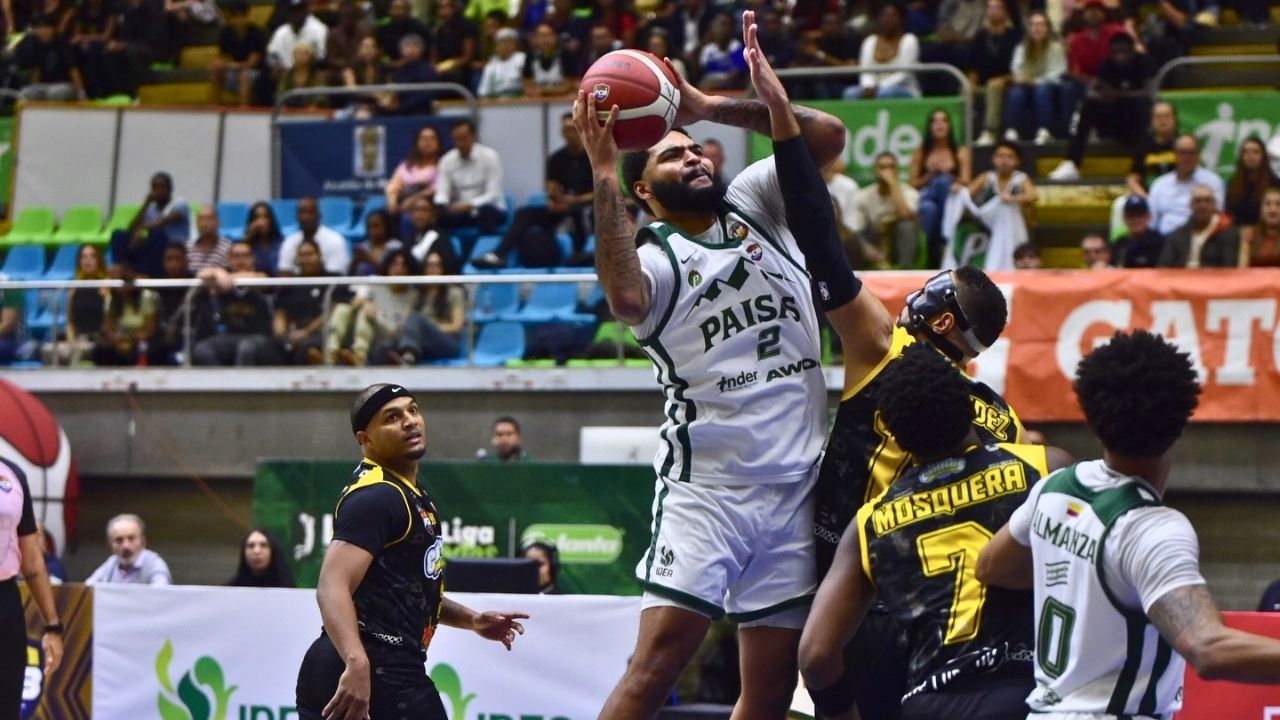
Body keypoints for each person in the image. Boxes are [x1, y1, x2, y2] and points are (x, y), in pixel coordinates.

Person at [574, 11, 851, 717]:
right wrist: (603, 171)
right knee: (655, 668)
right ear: (644, 191)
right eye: (672, 157)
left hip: (797, 487)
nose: (694, 157)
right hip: (711, 492)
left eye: (697, 149)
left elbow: (826, 136)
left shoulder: (758, 201)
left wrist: (705, 106)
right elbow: (624, 297)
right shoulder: (656, 258)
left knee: (770, 689)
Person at [977, 330, 1280, 717]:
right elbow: (1207, 647)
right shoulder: (1152, 529)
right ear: (1180, 422)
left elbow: (990, 566)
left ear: (1092, 418)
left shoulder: (1056, 489)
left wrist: (1081, 579)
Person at [800, 344, 1070, 720]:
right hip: (1030, 693)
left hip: (930, 703)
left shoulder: (870, 523)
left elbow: (815, 656)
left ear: (897, 435)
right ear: (970, 407)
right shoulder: (1046, 467)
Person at [810, 265, 1024, 720]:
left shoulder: (888, 351)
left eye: (931, 289)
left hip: (867, 599)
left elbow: (815, 657)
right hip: (970, 634)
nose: (916, 295)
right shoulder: (1013, 430)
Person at [295, 384, 528, 720]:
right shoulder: (377, 495)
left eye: (413, 410)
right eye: (392, 417)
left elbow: (411, 591)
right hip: (375, 668)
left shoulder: (406, 491)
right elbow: (331, 587)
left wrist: (472, 620)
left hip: (365, 665)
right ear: (365, 439)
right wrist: (356, 661)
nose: (409, 421)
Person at [474, 112, 593, 269]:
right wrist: (552, 201)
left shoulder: (593, 157)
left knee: (579, 211)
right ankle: (498, 254)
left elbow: (601, 192)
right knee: (524, 213)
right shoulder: (556, 159)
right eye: (566, 129)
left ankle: (579, 254)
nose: (569, 134)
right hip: (562, 207)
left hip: (588, 207)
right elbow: (551, 186)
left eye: (573, 129)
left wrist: (575, 201)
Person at [0, 458, 63, 720]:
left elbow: (32, 558)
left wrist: (52, 626)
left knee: (6, 703)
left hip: (4, 599)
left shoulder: (12, 474)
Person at [1047, 32, 1150, 182]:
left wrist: (1118, 94)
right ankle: (1072, 163)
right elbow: (1093, 89)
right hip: (1113, 122)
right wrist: (1100, 94)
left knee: (1144, 106)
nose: (1120, 57)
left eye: (1124, 52)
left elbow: (1149, 92)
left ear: (1132, 51)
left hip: (1135, 124)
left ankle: (1138, 169)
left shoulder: (1143, 62)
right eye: (1116, 53)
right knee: (1089, 105)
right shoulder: (1106, 64)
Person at [191, 241, 278, 366]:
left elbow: (263, 280)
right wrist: (217, 271)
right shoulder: (221, 278)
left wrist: (230, 278)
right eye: (236, 256)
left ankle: (243, 379)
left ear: (253, 258)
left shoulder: (261, 276)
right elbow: (200, 274)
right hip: (229, 337)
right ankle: (220, 379)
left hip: (259, 338)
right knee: (202, 350)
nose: (241, 260)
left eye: (245, 256)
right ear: (228, 259)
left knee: (246, 348)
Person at [910, 109, 972, 268]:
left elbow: (966, 181)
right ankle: (939, 246)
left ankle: (940, 245)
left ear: (949, 125)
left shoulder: (960, 152)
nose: (939, 124)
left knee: (941, 187)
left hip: (951, 198)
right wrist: (929, 175)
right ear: (929, 126)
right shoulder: (921, 151)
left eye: (943, 120)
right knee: (928, 206)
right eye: (935, 121)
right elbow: (912, 184)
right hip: (927, 194)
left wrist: (948, 174)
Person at [110, 172, 191, 277]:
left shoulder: (180, 203)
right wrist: (146, 203)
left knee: (155, 233)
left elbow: (162, 222)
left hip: (173, 246)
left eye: (161, 187)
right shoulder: (150, 209)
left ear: (170, 189)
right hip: (153, 248)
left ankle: (148, 275)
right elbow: (130, 229)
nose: (157, 191)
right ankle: (118, 269)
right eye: (154, 187)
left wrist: (141, 229)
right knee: (118, 234)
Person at [434, 119, 507, 235]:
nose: (460, 144)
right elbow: (442, 191)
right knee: (437, 215)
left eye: (464, 139)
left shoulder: (490, 156)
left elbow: (493, 194)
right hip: (460, 211)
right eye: (456, 139)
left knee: (485, 212)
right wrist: (442, 204)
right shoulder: (446, 160)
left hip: (489, 208)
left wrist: (470, 204)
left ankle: (486, 246)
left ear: (473, 137)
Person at [1003, 11, 1066, 144]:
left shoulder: (1056, 48)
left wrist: (1035, 81)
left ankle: (1044, 131)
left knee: (1042, 90)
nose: (1037, 28)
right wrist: (1021, 78)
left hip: (1050, 86)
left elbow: (1058, 73)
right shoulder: (1021, 47)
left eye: (1041, 24)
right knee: (1015, 92)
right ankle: (1011, 131)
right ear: (1029, 28)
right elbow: (1016, 69)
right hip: (1026, 85)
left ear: (1047, 28)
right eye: (1033, 24)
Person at [1147, 134, 1226, 236]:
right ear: (1175, 155)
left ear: (1198, 155)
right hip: (1164, 239)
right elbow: (1151, 220)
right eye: (1183, 152)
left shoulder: (1213, 181)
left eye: (1191, 152)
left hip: (1200, 237)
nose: (1187, 157)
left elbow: (1218, 216)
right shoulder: (1160, 184)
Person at [968, 0, 1022, 146]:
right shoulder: (980, 36)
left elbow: (1020, 68)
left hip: (1008, 83)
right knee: (964, 89)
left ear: (1006, 12)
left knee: (993, 87)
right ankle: (961, 132)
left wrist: (1004, 79)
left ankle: (990, 132)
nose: (992, 11)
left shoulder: (1015, 36)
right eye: (990, 8)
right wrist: (971, 84)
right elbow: (973, 66)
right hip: (983, 85)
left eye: (997, 8)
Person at [855, 152, 920, 269]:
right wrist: (867, 248)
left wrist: (892, 184)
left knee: (907, 226)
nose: (886, 172)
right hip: (875, 241)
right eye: (882, 167)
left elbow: (904, 215)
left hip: (897, 244)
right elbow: (856, 230)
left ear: (897, 171)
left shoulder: (910, 192)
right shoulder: (863, 195)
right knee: (852, 236)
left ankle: (905, 270)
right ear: (874, 171)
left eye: (891, 167)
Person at [845, 2, 919, 100]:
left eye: (892, 16)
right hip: (873, 88)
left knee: (884, 93)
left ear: (900, 19)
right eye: (884, 16)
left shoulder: (909, 39)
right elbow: (865, 71)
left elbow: (904, 74)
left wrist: (878, 87)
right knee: (850, 93)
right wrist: (868, 86)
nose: (888, 19)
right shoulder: (870, 41)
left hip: (904, 89)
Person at [1158, 184, 1240, 268]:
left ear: (1214, 204)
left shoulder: (1227, 233)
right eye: (1198, 201)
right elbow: (1163, 266)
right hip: (1182, 275)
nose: (1202, 205)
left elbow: (1228, 267)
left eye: (1207, 201)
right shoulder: (1178, 234)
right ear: (1190, 205)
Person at [85, 513, 172, 584]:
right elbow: (86, 590)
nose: (125, 546)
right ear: (110, 544)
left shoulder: (154, 565)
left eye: (131, 539)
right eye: (119, 540)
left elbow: (160, 596)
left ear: (143, 541)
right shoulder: (111, 564)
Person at [15, 14, 85, 101]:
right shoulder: (34, 44)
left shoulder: (62, 43)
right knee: (26, 92)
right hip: (44, 86)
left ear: (53, 29)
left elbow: (73, 69)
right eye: (40, 28)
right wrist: (35, 89)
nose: (43, 31)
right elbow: (36, 71)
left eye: (46, 27)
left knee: (56, 93)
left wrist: (81, 93)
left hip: (63, 84)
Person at [210, 0, 265, 106]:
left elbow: (253, 62)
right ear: (230, 17)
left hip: (255, 74)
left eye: (242, 15)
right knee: (216, 68)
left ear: (247, 15)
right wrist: (225, 65)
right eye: (235, 16)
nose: (239, 19)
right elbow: (223, 57)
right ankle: (214, 106)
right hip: (234, 70)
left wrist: (237, 66)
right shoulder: (226, 33)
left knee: (244, 74)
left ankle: (243, 109)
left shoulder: (256, 33)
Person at [278, 197, 352, 275]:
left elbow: (336, 276)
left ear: (319, 215)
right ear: (296, 216)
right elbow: (284, 274)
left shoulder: (335, 240)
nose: (306, 217)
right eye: (302, 213)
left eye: (310, 212)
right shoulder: (289, 242)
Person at [384, 125, 441, 218]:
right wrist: (392, 202)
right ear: (416, 142)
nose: (427, 142)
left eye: (432, 138)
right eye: (423, 138)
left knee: (411, 216)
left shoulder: (443, 164)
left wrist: (413, 200)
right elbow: (393, 186)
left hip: (429, 204)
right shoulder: (406, 165)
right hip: (403, 202)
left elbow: (438, 188)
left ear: (438, 143)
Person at [1225, 136, 1280, 228]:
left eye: (1256, 152)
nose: (1250, 156)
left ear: (1264, 156)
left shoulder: (1275, 184)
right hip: (1238, 232)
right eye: (1246, 152)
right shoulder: (1233, 184)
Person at [225, 528, 296, 587]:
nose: (257, 551)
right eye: (251, 546)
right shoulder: (229, 590)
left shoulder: (289, 590)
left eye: (263, 545)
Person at [523, 21, 576, 97]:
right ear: (535, 38)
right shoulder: (530, 56)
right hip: (537, 99)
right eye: (541, 35)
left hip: (561, 99)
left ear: (556, 37)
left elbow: (568, 85)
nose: (545, 39)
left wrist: (543, 91)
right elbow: (527, 85)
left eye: (549, 35)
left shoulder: (565, 55)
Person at [1111, 195, 1165, 268]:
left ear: (1148, 217)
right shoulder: (1119, 245)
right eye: (1131, 216)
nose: (1135, 220)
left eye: (1140, 215)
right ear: (1124, 218)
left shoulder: (1160, 243)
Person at [350, 209, 402, 276]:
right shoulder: (363, 247)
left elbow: (390, 273)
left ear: (387, 226)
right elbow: (349, 276)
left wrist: (370, 260)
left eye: (377, 226)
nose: (372, 231)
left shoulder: (395, 247)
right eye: (369, 227)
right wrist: (354, 263)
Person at [477, 27, 525, 98]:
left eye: (509, 42)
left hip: (519, 100)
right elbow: (483, 91)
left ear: (514, 44)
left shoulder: (522, 59)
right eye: (501, 42)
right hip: (496, 102)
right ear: (496, 46)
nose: (505, 45)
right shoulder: (491, 64)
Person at [1241, 187, 1280, 267]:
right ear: (1261, 209)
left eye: (1278, 204)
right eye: (1267, 204)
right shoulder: (1250, 234)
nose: (1272, 210)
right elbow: (1242, 268)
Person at [187, 205, 232, 272]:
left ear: (218, 222)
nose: (205, 222)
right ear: (197, 223)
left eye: (210, 218)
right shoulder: (188, 247)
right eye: (201, 219)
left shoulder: (227, 247)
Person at [244, 201, 284, 274]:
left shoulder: (282, 243)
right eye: (257, 217)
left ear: (271, 219)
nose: (261, 221)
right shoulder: (247, 243)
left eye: (265, 217)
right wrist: (248, 236)